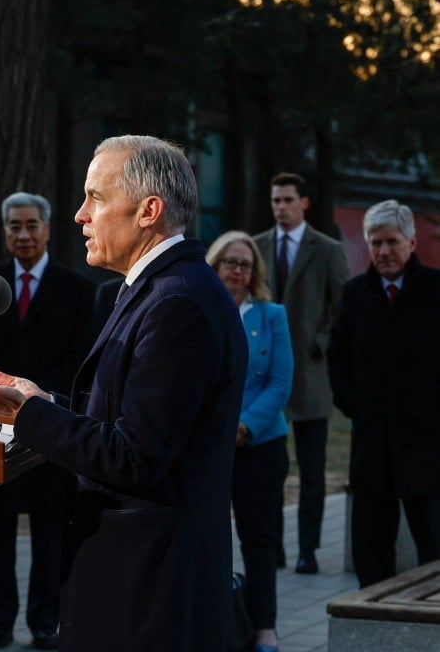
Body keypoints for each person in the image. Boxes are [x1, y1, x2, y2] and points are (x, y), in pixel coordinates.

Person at [0, 135, 248, 651]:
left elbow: (134, 457)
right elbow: (124, 420)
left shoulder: (179, 304)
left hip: (148, 590)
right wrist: (39, 401)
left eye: (95, 198)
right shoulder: (155, 289)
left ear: (149, 210)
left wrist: (31, 416)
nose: (80, 216)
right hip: (134, 578)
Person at [0, 192, 96, 650]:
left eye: (31, 225)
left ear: (46, 228)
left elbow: (82, 360)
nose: (23, 235)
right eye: (14, 226)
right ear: (4, 231)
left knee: (50, 529)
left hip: (51, 423)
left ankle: (46, 621)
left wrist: (42, 403)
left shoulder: (77, 289)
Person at [327, 199, 440, 589]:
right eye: (375, 243)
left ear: (411, 243)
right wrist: (354, 405)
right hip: (371, 444)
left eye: (391, 242)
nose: (383, 252)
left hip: (427, 446)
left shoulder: (435, 292)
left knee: (434, 546)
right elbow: (338, 357)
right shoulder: (356, 293)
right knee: (371, 551)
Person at [254, 172, 349, 575]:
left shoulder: (326, 249)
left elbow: (342, 308)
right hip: (264, 376)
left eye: (288, 200)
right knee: (270, 472)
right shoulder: (256, 246)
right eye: (276, 200)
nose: (281, 207)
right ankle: (272, 548)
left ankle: (307, 550)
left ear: (304, 203)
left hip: (310, 376)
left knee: (311, 472)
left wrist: (321, 342)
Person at [206, 231, 293, 652]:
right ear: (215, 264)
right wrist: (220, 429)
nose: (238, 271)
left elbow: (280, 383)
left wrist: (243, 427)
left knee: (259, 540)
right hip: (208, 447)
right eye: (230, 262)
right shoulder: (198, 310)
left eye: (245, 264)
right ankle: (214, 622)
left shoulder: (272, 315)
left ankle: (264, 627)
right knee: (209, 534)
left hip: (260, 447)